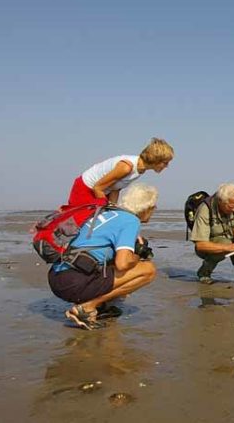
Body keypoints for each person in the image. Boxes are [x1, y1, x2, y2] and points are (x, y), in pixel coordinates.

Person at [48, 183, 159, 329]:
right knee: (148, 270)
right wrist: (137, 254)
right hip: (73, 282)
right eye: (153, 207)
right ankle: (87, 308)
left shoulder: (105, 213)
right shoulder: (131, 220)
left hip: (57, 277)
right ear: (146, 207)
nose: (154, 210)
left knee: (113, 264)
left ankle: (101, 307)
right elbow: (122, 264)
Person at [67, 138, 174, 207]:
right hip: (86, 188)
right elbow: (98, 188)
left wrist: (113, 208)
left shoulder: (140, 170)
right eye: (165, 163)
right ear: (156, 159)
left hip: (102, 192)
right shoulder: (126, 167)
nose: (166, 166)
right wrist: (107, 210)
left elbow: (115, 189)